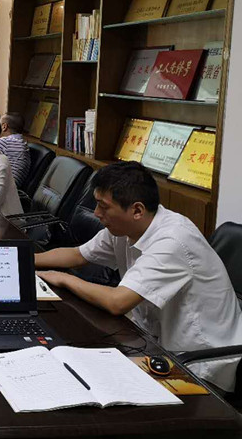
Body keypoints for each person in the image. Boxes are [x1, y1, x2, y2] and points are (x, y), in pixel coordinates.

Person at [36, 161, 242, 391]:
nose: (96, 213)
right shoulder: (124, 229)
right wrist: (23, 259)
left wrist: (64, 278)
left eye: (103, 206)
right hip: (155, 343)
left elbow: (117, 302)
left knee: (93, 385)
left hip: (201, 365)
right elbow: (77, 255)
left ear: (137, 210)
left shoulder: (173, 241)